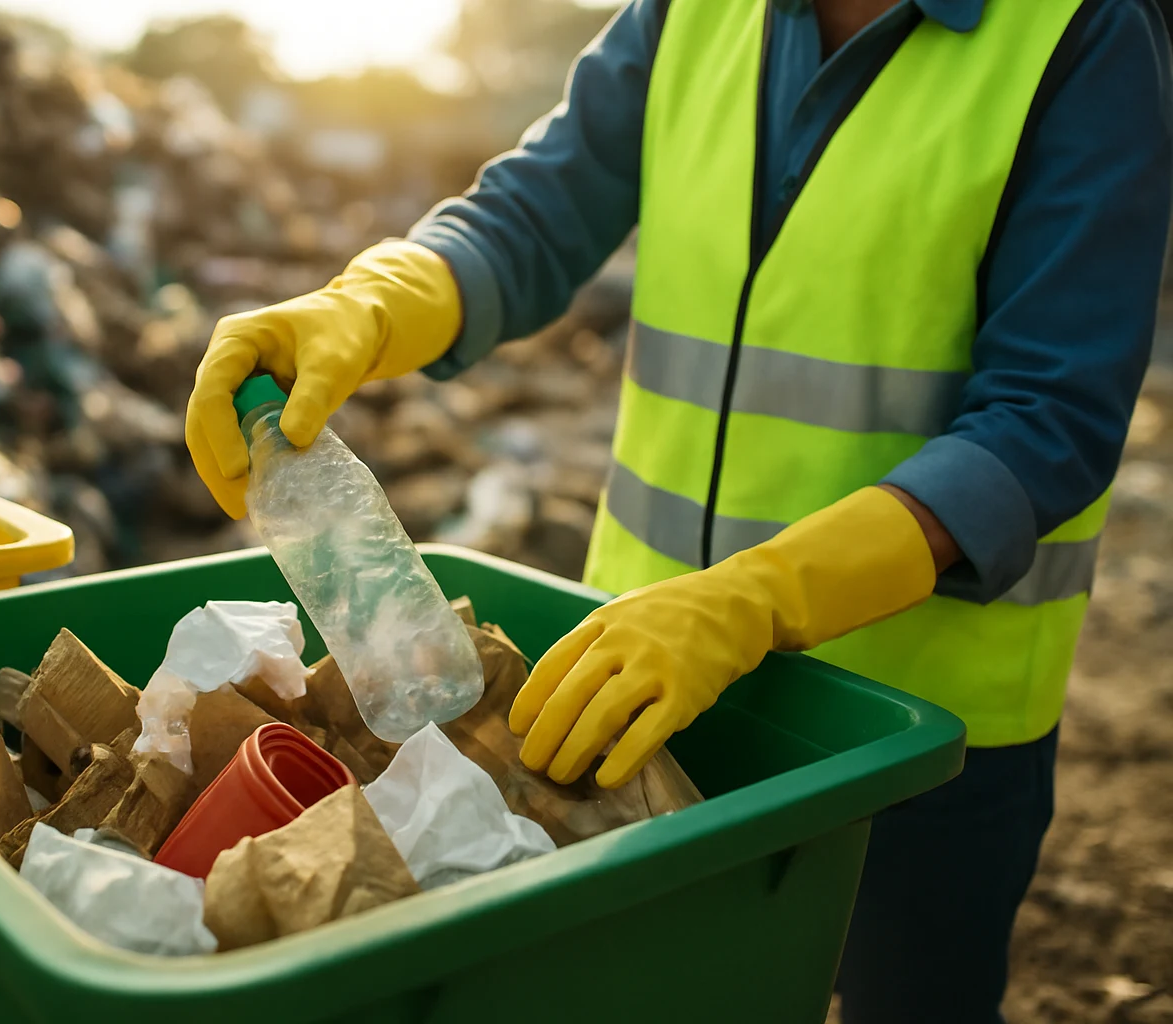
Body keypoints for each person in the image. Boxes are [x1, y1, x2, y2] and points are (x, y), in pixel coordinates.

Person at [186, 1, 1173, 1020]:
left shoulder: (1079, 37)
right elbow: (533, 215)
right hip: (641, 680)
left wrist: (754, 599)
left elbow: (1047, 420)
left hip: (913, 731)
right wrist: (366, 304)